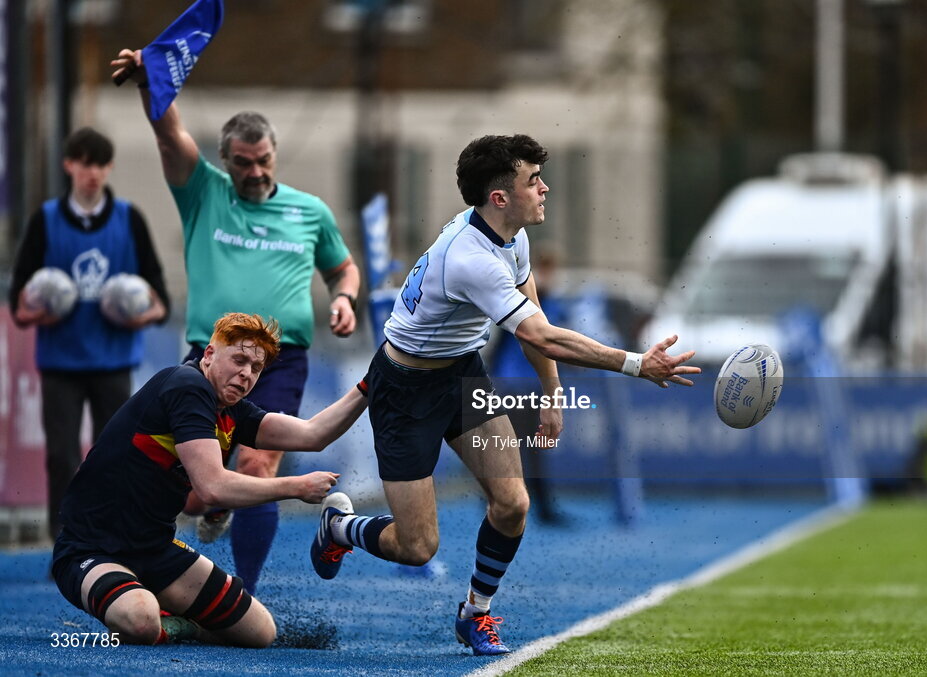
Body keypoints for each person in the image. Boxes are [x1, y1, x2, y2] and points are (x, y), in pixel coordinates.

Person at [307, 134, 700, 655]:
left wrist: (552, 390)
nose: (545, 188)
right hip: (405, 389)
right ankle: (340, 527)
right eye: (532, 180)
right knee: (417, 547)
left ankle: (476, 613)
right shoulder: (471, 259)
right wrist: (634, 364)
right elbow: (541, 334)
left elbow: (530, 308)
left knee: (513, 504)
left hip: (462, 375)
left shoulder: (511, 235)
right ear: (499, 197)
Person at [111, 49, 362, 594]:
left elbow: (343, 268)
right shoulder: (204, 192)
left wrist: (344, 298)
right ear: (225, 161)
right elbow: (168, 135)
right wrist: (151, 84)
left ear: (274, 154)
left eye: (264, 159)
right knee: (183, 480)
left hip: (280, 360)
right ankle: (141, 564)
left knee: (256, 465)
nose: (255, 172)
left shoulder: (309, 210)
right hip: (208, 356)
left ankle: (241, 593)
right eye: (243, 162)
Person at [51, 312, 368, 646]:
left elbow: (313, 434)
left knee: (260, 632)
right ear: (209, 355)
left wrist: (369, 386)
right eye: (239, 360)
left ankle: (174, 624)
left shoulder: (232, 409)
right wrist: (296, 487)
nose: (246, 374)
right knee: (141, 619)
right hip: (91, 548)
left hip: (154, 549)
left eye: (256, 368)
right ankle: (155, 616)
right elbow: (212, 487)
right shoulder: (187, 386)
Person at [8, 127, 170, 543]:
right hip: (61, 362)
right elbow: (19, 300)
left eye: (100, 164)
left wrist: (141, 315)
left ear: (109, 167)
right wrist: (34, 313)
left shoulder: (129, 219)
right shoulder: (45, 221)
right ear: (69, 166)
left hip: (113, 361)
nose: (92, 172)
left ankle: (110, 534)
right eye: (84, 163)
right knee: (61, 455)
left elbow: (160, 297)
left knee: (114, 452)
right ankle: (64, 536)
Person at [488, 245, 566, 524]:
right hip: (511, 385)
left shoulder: (555, 304)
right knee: (511, 448)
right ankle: (500, 502)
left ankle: (541, 507)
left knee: (535, 448)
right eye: (541, 270)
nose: (546, 276)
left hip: (534, 387)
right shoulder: (519, 299)